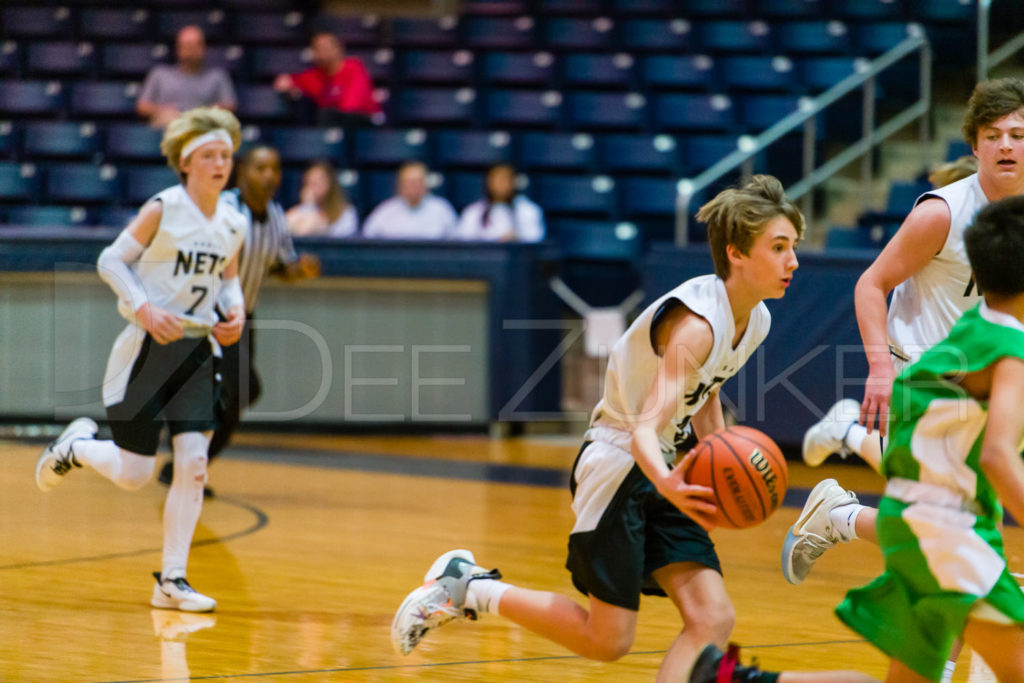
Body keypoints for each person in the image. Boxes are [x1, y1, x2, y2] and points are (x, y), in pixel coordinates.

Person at [391, 175, 803, 680]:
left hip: (665, 465)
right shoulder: (696, 325)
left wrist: (715, 454)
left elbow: (707, 391)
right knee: (608, 640)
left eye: (794, 248)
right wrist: (675, 484)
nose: (793, 261)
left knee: (712, 618)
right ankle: (467, 587)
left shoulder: (754, 319)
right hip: (621, 464)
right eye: (779, 247)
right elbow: (643, 431)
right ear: (737, 253)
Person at [691, 195, 1024, 683]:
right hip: (949, 535)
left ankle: (741, 680)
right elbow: (997, 454)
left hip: (917, 522)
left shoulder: (971, 328)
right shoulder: (1009, 352)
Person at [34, 107, 247, 612]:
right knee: (134, 474)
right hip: (148, 347)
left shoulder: (234, 221)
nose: (221, 164)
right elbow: (111, 259)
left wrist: (234, 312)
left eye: (226, 156)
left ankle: (172, 580)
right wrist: (145, 307)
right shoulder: (164, 207)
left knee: (194, 464)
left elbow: (229, 278)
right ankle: (78, 446)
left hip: (198, 348)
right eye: (210, 156)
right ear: (186, 162)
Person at [801, 78, 1024, 473]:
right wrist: (879, 369)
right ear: (975, 147)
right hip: (923, 367)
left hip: (987, 370)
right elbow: (870, 284)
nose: (1005, 144)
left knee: (951, 504)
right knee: (929, 504)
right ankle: (850, 439)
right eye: (993, 135)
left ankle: (846, 446)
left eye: (1017, 134)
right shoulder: (942, 214)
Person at [158, 144, 322, 493]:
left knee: (232, 405)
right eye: (260, 168)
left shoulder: (277, 215)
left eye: (275, 169)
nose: (269, 176)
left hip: (245, 317)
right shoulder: (225, 208)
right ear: (242, 170)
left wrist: (300, 270)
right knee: (245, 388)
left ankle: (182, 468)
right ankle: (180, 431)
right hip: (210, 314)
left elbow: (279, 266)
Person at [137, 26, 237, 129]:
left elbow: (229, 106)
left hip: (202, 130)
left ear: (203, 48)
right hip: (166, 130)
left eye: (194, 46)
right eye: (186, 46)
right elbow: (142, 106)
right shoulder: (159, 74)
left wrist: (202, 114)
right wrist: (161, 111)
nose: (190, 51)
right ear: (178, 48)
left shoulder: (217, 76)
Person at [273, 32, 380, 126]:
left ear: (339, 49)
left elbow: (351, 106)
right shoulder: (314, 76)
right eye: (317, 49)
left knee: (327, 115)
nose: (321, 53)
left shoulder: (354, 67)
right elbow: (290, 81)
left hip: (364, 122)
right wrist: (286, 83)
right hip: (332, 122)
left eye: (325, 48)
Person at [362, 161, 457, 240]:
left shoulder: (441, 209)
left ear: (425, 184)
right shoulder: (386, 210)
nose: (412, 186)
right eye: (408, 182)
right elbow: (367, 238)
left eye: (417, 181)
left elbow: (455, 243)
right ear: (399, 185)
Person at [454, 164, 545, 242]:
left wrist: (517, 238)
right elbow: (464, 242)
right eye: (496, 179)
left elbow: (535, 239)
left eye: (505, 179)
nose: (501, 184)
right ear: (488, 182)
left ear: (514, 182)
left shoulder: (528, 210)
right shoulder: (473, 211)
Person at [284, 160, 358, 237]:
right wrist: (308, 206)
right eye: (309, 183)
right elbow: (285, 228)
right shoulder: (302, 209)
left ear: (330, 183)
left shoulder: (347, 212)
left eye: (317, 182)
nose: (312, 188)